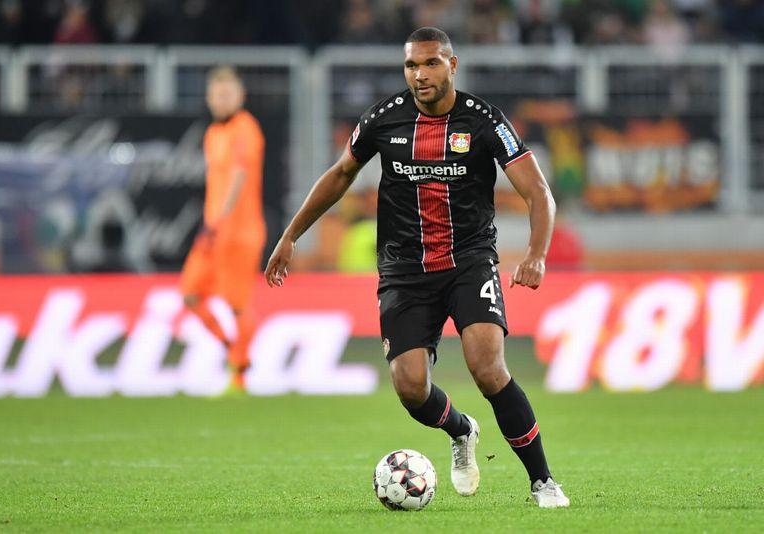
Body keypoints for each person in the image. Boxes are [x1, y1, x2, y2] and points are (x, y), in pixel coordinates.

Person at [265, 27, 569, 507]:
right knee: (410, 387)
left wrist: (536, 254)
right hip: (404, 269)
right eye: (411, 65)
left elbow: (538, 192)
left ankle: (543, 482)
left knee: (488, 368)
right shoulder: (383, 118)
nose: (420, 74)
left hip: (469, 261)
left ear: (452, 64)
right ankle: (461, 429)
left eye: (430, 63)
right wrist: (290, 235)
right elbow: (341, 174)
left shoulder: (483, 121)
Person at [181, 66, 266, 391]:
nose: (222, 100)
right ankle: (232, 349)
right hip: (213, 231)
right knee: (190, 294)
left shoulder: (246, 128)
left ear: (240, 96)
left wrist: (222, 217)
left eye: (228, 94)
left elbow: (239, 174)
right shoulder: (213, 133)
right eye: (217, 95)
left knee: (236, 304)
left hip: (239, 232)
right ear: (208, 98)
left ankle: (239, 376)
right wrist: (212, 223)